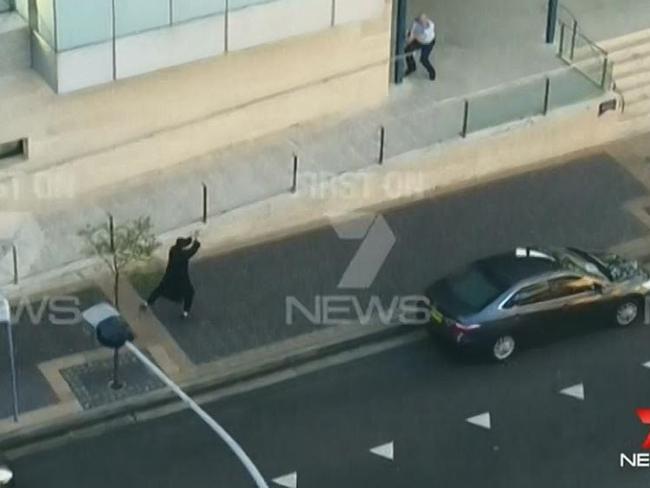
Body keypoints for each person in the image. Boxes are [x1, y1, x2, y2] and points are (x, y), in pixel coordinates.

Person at [142, 233, 201, 318]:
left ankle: (147, 303)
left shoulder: (173, 250)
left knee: (160, 289)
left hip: (169, 276)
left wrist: (192, 238)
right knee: (189, 293)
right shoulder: (183, 255)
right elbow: (192, 250)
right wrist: (196, 241)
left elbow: (187, 245)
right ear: (182, 247)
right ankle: (185, 312)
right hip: (181, 279)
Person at [405, 13, 436, 81]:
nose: (421, 23)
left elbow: (417, 38)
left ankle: (432, 72)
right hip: (418, 39)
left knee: (423, 59)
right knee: (407, 51)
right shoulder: (416, 22)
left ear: (426, 21)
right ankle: (412, 67)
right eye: (420, 21)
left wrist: (410, 39)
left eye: (423, 22)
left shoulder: (428, 30)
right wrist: (410, 36)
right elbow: (413, 31)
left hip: (428, 43)